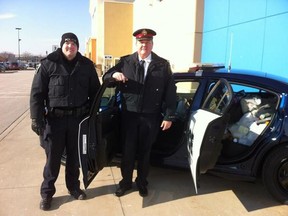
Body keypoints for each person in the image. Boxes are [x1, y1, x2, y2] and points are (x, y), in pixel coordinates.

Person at [30, 32, 101, 210]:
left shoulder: (86, 66)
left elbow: (95, 93)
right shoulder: (49, 64)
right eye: (67, 43)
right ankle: (47, 194)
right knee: (52, 160)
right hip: (55, 121)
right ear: (62, 45)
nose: (70, 47)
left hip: (78, 120)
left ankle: (74, 188)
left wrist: (92, 117)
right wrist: (36, 118)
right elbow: (37, 94)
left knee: (74, 159)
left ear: (78, 46)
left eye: (74, 44)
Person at [102, 28, 177, 197]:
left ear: (152, 44)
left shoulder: (162, 65)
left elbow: (170, 92)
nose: (144, 45)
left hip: (151, 117)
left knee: (145, 152)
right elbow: (105, 77)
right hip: (129, 116)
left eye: (147, 42)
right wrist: (115, 74)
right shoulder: (125, 62)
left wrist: (169, 115)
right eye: (141, 42)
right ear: (136, 44)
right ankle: (126, 182)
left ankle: (142, 182)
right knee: (128, 151)